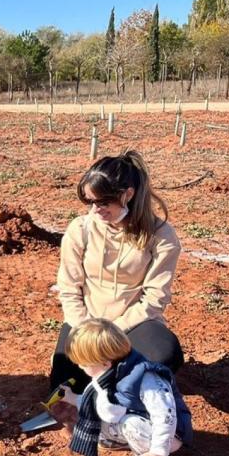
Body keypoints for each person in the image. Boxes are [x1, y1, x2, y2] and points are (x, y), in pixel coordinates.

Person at [50, 151, 183, 393]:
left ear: (127, 194)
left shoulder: (161, 236)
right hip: (87, 322)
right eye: (90, 202)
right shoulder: (80, 229)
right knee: (63, 384)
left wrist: (114, 333)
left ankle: (123, 377)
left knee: (166, 354)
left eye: (103, 202)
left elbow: (155, 298)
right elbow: (69, 288)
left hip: (132, 324)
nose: (95, 210)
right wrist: (87, 329)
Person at [65, 318, 193, 456]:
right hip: (140, 421)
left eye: (83, 364)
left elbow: (165, 417)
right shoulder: (110, 372)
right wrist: (71, 398)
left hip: (169, 435)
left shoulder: (146, 379)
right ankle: (119, 440)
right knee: (98, 409)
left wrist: (158, 453)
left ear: (105, 363)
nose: (79, 367)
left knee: (131, 424)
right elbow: (97, 400)